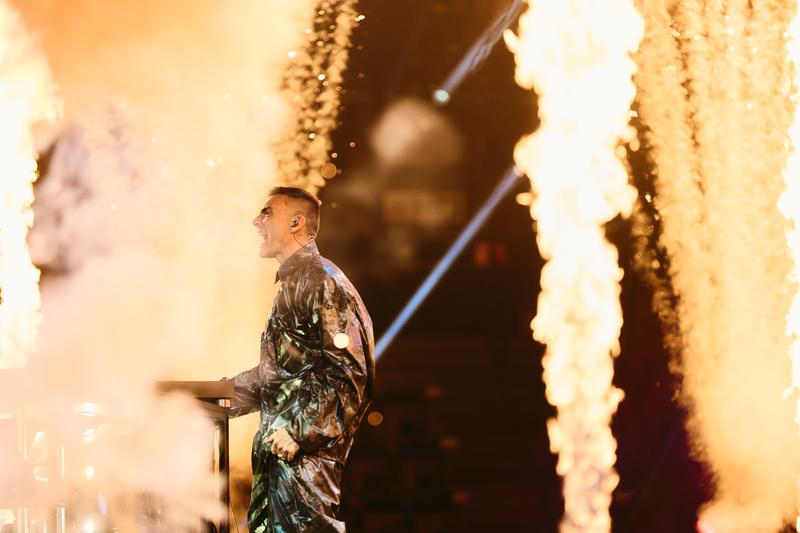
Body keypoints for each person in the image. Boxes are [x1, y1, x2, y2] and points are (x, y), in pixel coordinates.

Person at [225, 186, 375, 532]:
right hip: (282, 463)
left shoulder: (320, 280)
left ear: (295, 222)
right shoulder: (298, 283)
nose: (256, 221)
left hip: (302, 464)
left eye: (267, 213)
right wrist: (213, 396)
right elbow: (276, 377)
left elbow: (351, 374)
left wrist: (300, 431)